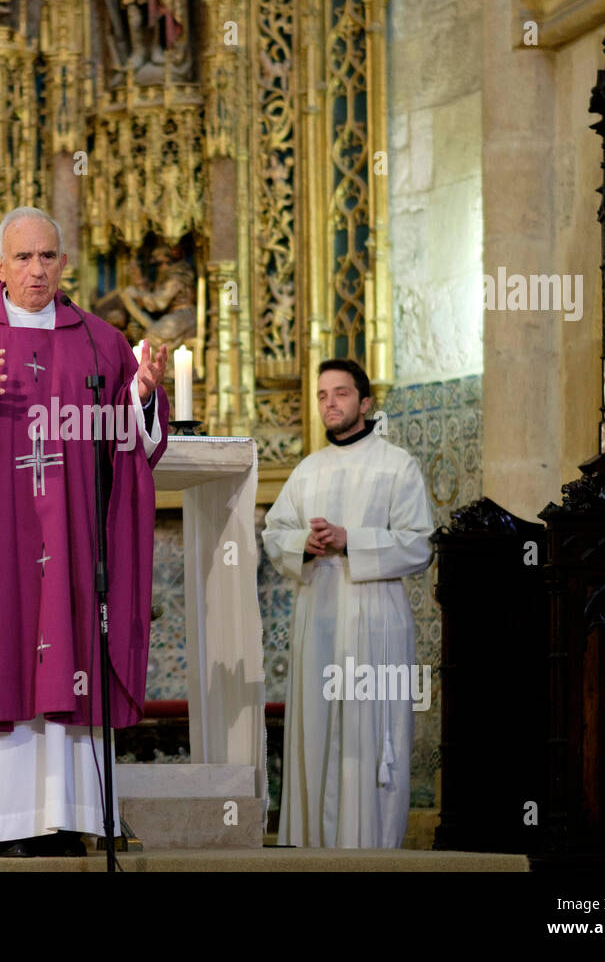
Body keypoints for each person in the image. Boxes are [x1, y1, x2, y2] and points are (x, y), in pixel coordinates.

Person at [0, 206, 170, 857]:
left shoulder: (101, 341)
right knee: (2, 650)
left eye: (47, 256)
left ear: (63, 264)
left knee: (72, 656)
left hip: (74, 542)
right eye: (22, 257)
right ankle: (8, 824)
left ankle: (69, 813)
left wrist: (142, 400)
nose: (36, 269)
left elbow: (127, 446)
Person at [262, 358, 433, 848]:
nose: (329, 403)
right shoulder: (307, 470)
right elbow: (275, 532)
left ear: (365, 403)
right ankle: (313, 850)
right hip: (318, 613)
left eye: (340, 393)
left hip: (373, 615)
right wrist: (305, 546)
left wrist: (350, 539)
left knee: (367, 731)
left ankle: (371, 851)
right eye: (321, 395)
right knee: (316, 726)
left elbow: (419, 544)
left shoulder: (395, 465)